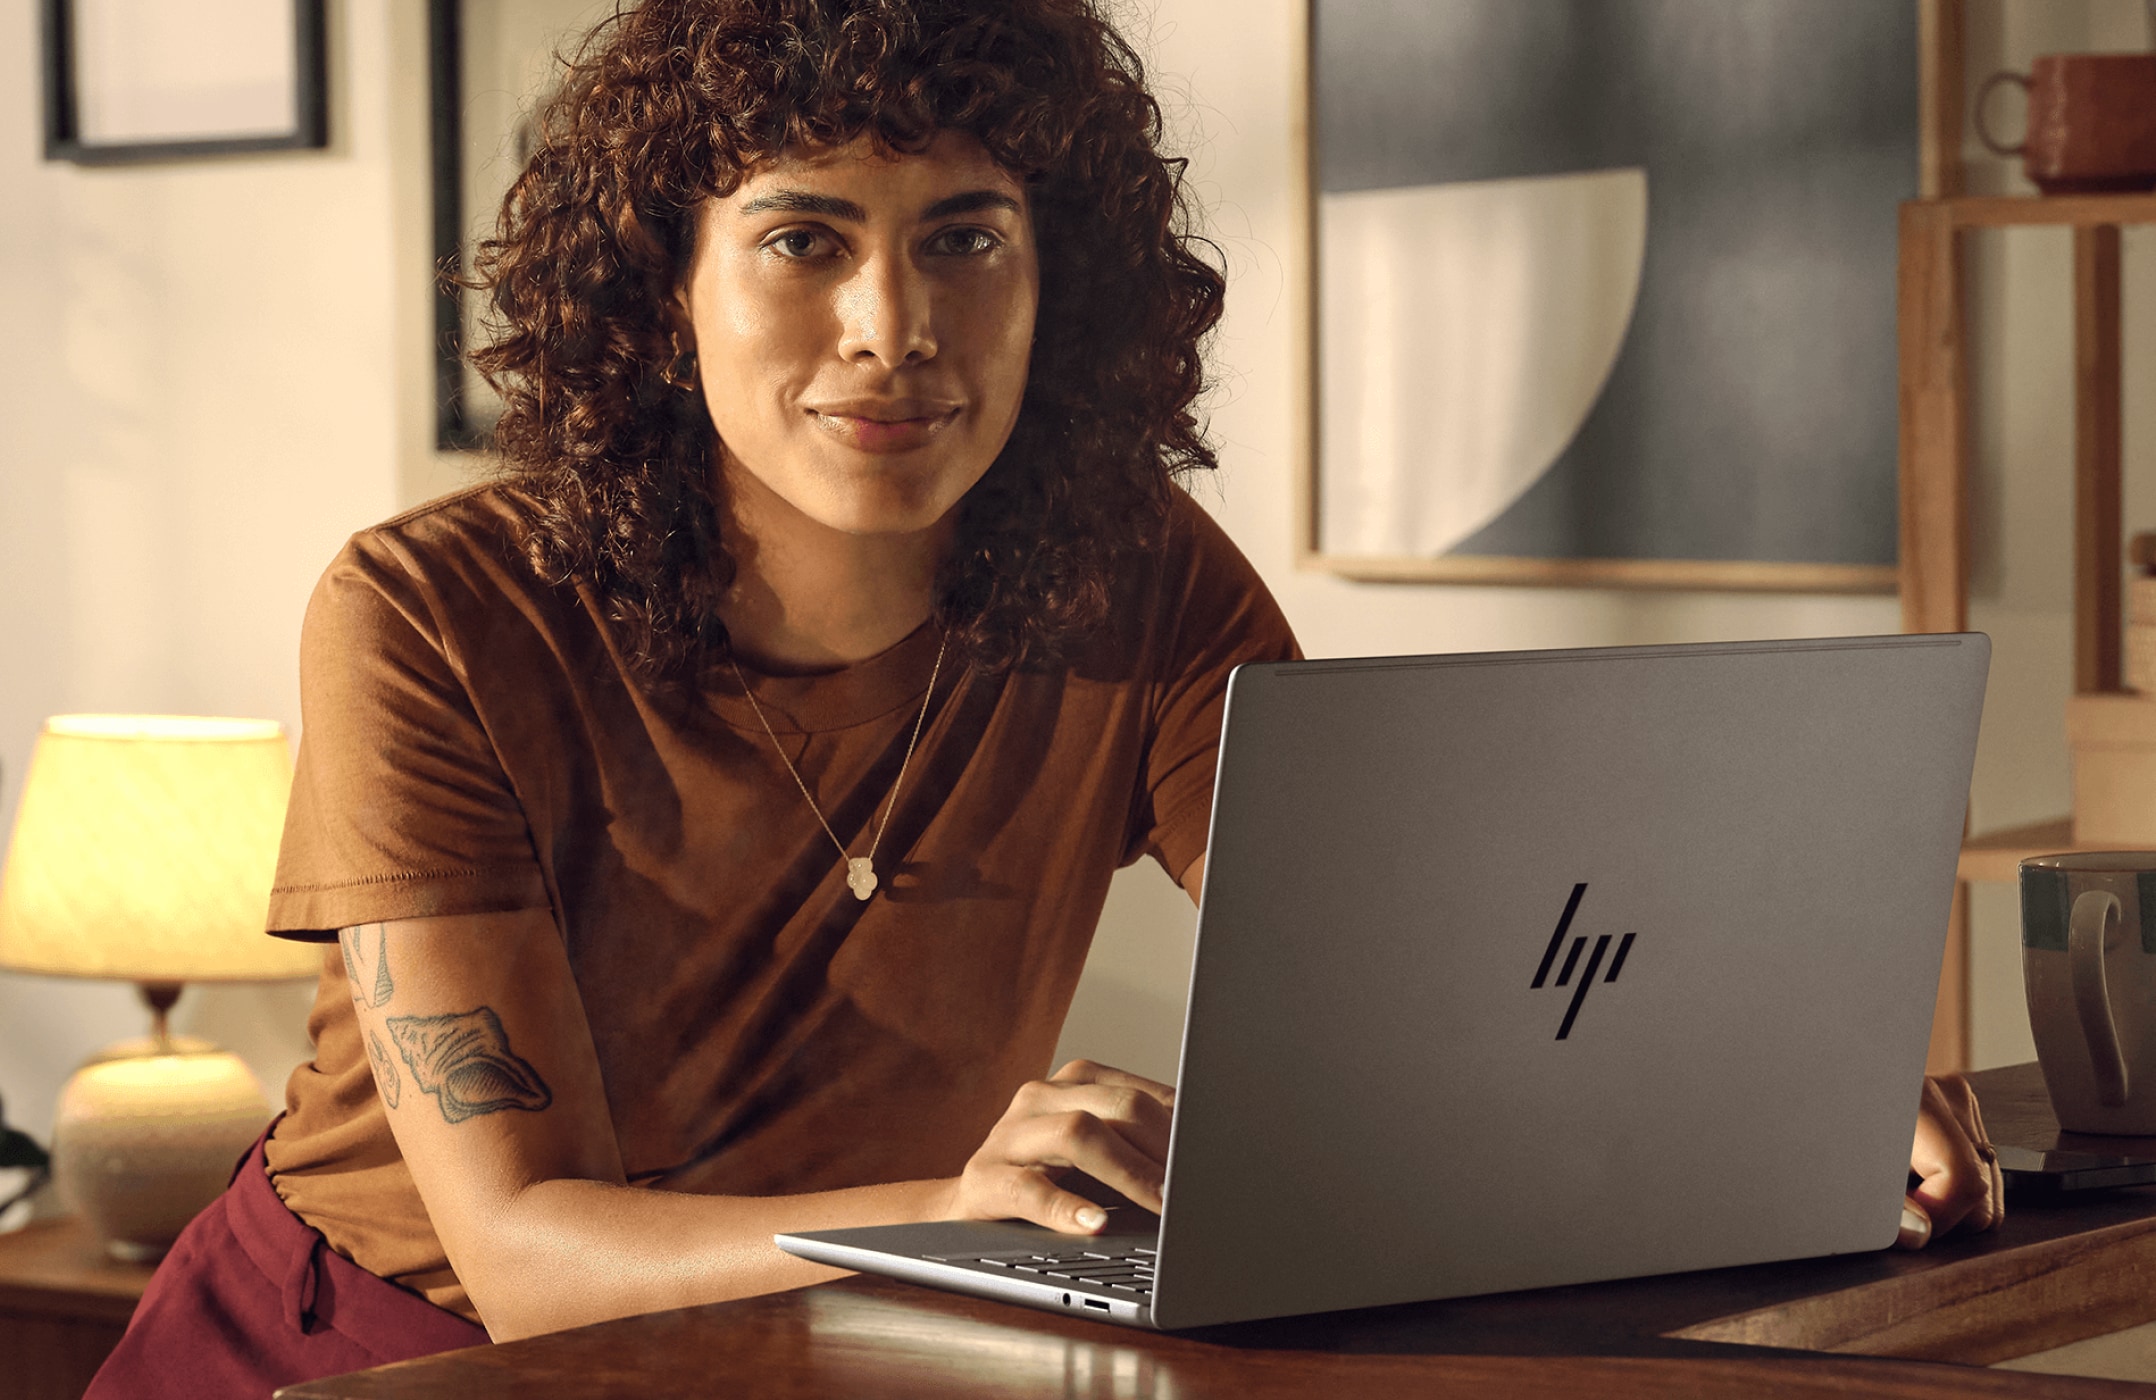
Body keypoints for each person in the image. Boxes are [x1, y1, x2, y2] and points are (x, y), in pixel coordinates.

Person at [86, 1, 2002, 1394]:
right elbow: (520, 1259)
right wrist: (960, 1217)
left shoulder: (1139, 575)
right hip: (360, 1355)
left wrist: (1772, 1097)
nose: (894, 328)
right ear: (657, 286)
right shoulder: (432, 610)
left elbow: (1424, 993)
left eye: (965, 239)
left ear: (1054, 278)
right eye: (800, 238)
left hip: (831, 1338)